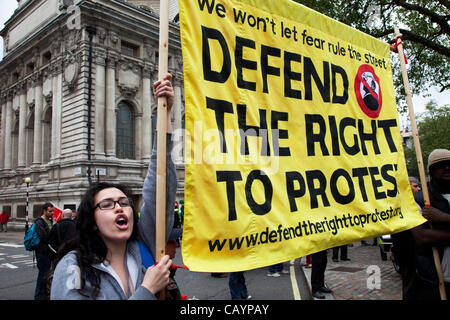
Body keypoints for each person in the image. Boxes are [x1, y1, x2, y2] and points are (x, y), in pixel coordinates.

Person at [49, 73, 177, 300]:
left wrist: (165, 113)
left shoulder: (144, 244)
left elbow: (160, 188)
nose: (119, 208)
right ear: (93, 222)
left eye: (124, 203)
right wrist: (147, 291)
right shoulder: (73, 267)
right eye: (107, 205)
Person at [412, 148, 450, 299]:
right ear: (430, 171)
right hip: (436, 280)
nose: (447, 167)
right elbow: (422, 236)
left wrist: (444, 218)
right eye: (441, 165)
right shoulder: (419, 200)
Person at [34, 202, 54, 300]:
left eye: (53, 211)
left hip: (48, 251)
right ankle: (38, 296)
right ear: (44, 211)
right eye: (50, 211)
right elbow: (43, 236)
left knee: (46, 274)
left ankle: (43, 294)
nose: (52, 213)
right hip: (42, 252)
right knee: (42, 274)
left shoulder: (50, 220)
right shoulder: (39, 222)